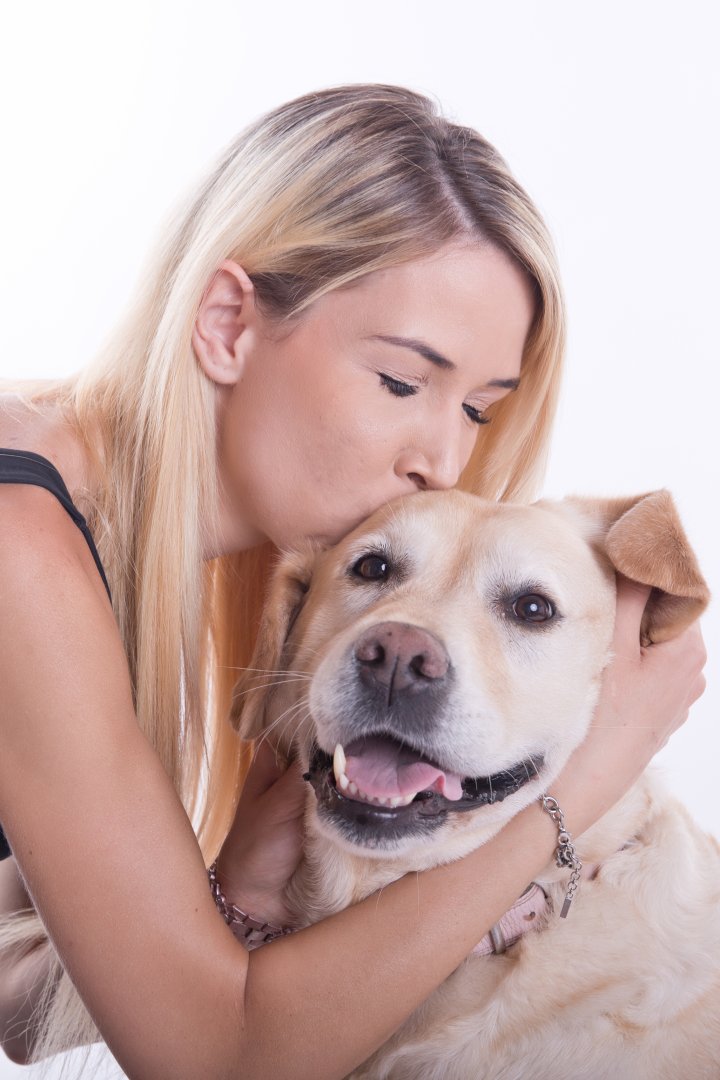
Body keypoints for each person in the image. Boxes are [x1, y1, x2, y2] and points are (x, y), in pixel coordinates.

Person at [0, 84, 706, 1080]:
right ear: (228, 323)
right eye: (402, 383)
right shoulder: (19, 544)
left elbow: (20, 1003)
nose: (439, 461)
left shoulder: (73, 509)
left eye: (479, 409)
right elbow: (212, 1061)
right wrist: (585, 784)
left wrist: (233, 892)